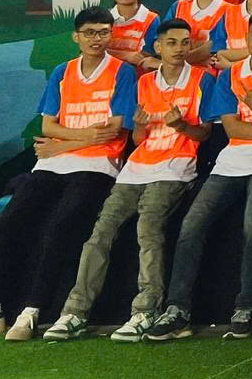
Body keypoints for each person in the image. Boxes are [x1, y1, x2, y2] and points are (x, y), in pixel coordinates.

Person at [0, 7, 136, 340]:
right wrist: (82, 138)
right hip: (52, 164)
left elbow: (114, 130)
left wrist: (63, 144)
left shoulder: (122, 72)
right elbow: (49, 125)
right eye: (90, 32)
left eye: (103, 32)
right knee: (7, 223)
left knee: (60, 226)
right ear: (76, 36)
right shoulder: (63, 72)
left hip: (97, 165)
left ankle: (31, 311)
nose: (96, 39)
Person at [146, 7, 252, 340]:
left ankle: (247, 306)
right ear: (246, 38)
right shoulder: (231, 74)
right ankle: (177, 309)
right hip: (231, 160)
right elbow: (234, 128)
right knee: (191, 225)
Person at [44, 18, 208, 342]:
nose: (178, 49)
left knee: (148, 229)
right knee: (100, 233)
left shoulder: (202, 80)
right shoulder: (144, 83)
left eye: (184, 43)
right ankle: (75, 312)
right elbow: (138, 138)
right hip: (136, 168)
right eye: (171, 43)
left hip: (175, 167)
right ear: (157, 47)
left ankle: (145, 310)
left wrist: (181, 126)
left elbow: (203, 133)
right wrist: (141, 126)